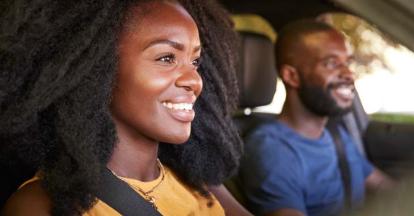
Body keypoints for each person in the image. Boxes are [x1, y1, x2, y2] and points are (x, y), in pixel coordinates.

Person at [0, 0, 249, 215]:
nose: (194, 81)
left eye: (194, 61)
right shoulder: (39, 206)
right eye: (166, 58)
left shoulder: (199, 184)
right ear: (97, 69)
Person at [239, 19, 394, 216]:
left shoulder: (334, 133)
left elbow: (380, 184)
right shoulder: (272, 152)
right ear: (292, 76)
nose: (349, 74)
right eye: (331, 63)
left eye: (347, 62)